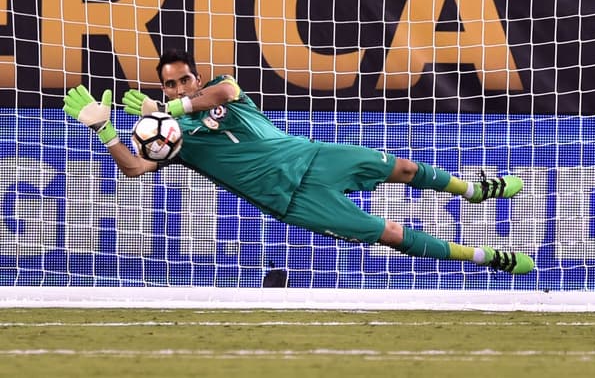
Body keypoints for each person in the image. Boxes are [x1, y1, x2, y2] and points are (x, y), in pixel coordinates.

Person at [60, 49, 534, 275]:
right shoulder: (172, 142)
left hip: (313, 157)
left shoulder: (218, 89)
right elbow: (136, 169)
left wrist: (172, 110)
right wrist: (104, 131)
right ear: (161, 87)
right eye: (171, 86)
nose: (180, 89)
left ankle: (474, 189)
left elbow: (223, 92)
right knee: (389, 234)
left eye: (185, 81)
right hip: (290, 200)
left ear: (195, 78)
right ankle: (487, 257)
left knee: (405, 168)